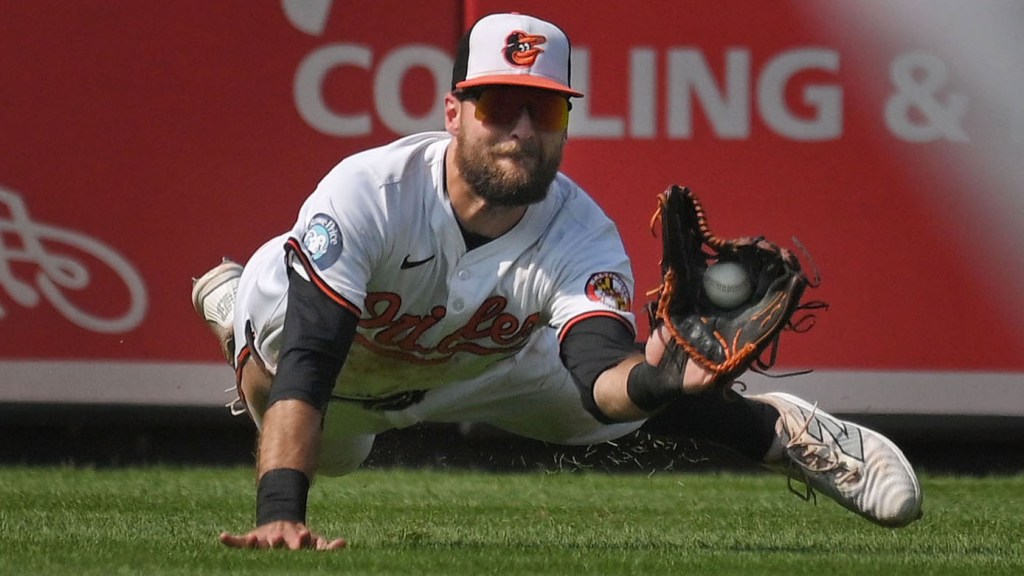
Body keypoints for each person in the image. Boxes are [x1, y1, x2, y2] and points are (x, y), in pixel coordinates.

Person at [191, 13, 922, 550]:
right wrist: (280, 508)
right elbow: (315, 361)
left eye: (540, 108)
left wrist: (661, 380)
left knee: (607, 407)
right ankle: (235, 316)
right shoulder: (371, 194)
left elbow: (599, 369)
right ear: (454, 114)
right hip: (324, 359)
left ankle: (782, 434)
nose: (519, 130)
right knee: (313, 426)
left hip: (465, 365)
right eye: (496, 106)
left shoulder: (581, 233)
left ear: (566, 124)